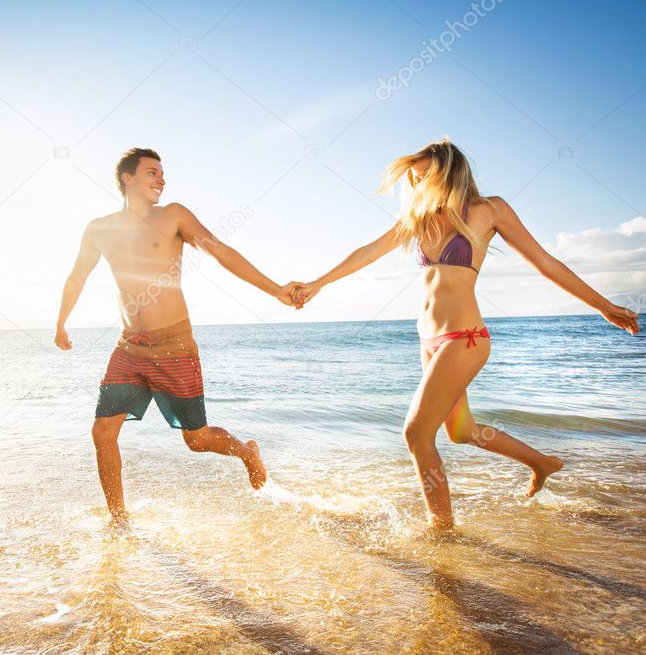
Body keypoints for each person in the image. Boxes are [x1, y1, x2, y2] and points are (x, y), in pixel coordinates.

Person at [294, 139, 639, 529]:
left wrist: (603, 305)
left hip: (465, 337)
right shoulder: (419, 218)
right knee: (460, 430)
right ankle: (542, 463)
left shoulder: (488, 210)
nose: (418, 181)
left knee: (415, 434)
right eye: (414, 176)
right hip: (429, 341)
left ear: (447, 169)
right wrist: (318, 283)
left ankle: (442, 529)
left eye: (425, 173)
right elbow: (367, 252)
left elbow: (545, 262)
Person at [55, 147, 304, 526]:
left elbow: (221, 252)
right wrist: (61, 322)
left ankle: (247, 453)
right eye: (152, 172)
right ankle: (119, 521)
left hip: (174, 347)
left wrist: (275, 290)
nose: (161, 179)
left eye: (162, 173)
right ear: (128, 178)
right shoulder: (100, 229)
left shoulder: (173, 216)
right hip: (129, 347)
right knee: (103, 431)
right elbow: (77, 277)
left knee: (197, 439)